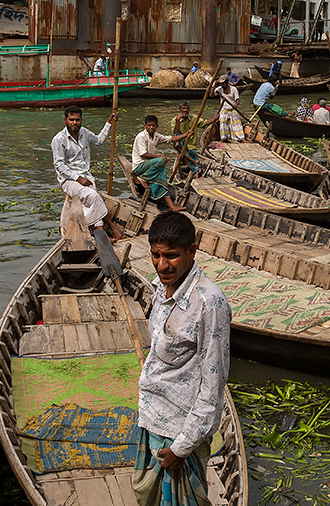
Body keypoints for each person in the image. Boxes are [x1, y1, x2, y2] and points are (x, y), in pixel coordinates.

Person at [132, 211, 232, 505]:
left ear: (192, 251)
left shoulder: (210, 304)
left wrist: (183, 446)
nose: (162, 265)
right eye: (155, 255)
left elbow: (213, 385)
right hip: (151, 416)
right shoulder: (159, 287)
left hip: (180, 430)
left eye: (171, 256)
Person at [51, 105, 122, 241]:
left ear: (81, 120)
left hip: (86, 177)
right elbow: (59, 165)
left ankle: (99, 234)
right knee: (93, 196)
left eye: (77, 120)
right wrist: (78, 178)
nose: (74, 123)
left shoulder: (84, 133)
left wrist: (109, 123)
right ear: (65, 120)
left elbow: (99, 141)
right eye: (71, 120)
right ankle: (112, 228)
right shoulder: (59, 139)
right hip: (69, 180)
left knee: (92, 199)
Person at [131, 115, 186, 211]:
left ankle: (172, 206)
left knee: (161, 180)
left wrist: (186, 135)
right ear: (145, 125)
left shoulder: (156, 136)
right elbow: (143, 154)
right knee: (161, 161)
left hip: (150, 167)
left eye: (153, 125)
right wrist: (160, 157)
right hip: (140, 167)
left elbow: (170, 139)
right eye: (149, 125)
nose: (151, 127)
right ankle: (142, 178)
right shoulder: (141, 136)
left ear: (156, 126)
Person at [172, 100, 201, 178]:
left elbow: (204, 123)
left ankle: (195, 170)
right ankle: (196, 170)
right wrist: (178, 120)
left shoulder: (194, 118)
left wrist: (214, 119)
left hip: (191, 147)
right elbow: (175, 134)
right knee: (177, 136)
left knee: (190, 155)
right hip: (181, 147)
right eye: (183, 108)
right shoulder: (175, 120)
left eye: (187, 108)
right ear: (179, 109)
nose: (185, 110)